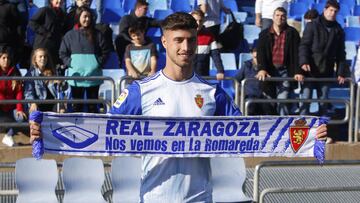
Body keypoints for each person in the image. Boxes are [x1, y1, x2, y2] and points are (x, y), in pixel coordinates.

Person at [30, 12, 328, 202]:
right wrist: (47, 131)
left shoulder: (213, 93)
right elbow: (104, 132)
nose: (186, 47)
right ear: (165, 43)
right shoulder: (140, 91)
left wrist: (310, 134)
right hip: (155, 197)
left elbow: (249, 135)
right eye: (179, 41)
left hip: (201, 198)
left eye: (190, 40)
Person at [298, 0, 347, 116]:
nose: (333, 13)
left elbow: (341, 53)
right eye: (331, 10)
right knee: (305, 100)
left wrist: (341, 72)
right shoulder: (312, 25)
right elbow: (304, 45)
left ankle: (321, 131)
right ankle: (301, 131)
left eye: (335, 11)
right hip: (309, 70)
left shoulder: (338, 30)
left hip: (326, 71)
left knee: (323, 102)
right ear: (325, 10)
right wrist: (304, 61)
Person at [59, 6, 111, 113]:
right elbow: (62, 53)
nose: (87, 19)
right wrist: (72, 63)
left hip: (93, 76)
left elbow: (106, 51)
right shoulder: (70, 35)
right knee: (76, 107)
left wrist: (97, 62)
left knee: (93, 107)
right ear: (78, 17)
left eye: (89, 17)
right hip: (76, 77)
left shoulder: (97, 34)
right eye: (84, 16)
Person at [256, 7, 302, 115]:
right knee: (269, 102)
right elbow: (260, 53)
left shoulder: (293, 33)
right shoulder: (264, 34)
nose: (279, 18)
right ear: (273, 17)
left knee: (283, 100)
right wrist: (262, 69)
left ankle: (282, 126)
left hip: (285, 71)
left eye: (282, 16)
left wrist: (298, 71)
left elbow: (297, 54)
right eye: (277, 15)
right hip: (269, 71)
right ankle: (272, 127)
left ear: (286, 18)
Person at [115, 0, 159, 69]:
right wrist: (132, 41)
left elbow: (158, 22)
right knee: (119, 39)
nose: (147, 11)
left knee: (150, 44)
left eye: (147, 9)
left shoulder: (145, 20)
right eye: (145, 9)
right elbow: (122, 33)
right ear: (138, 8)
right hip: (128, 45)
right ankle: (122, 65)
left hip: (142, 46)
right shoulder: (126, 19)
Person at [235, 47, 277, 115]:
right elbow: (236, 80)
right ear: (252, 55)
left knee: (269, 109)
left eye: (259, 57)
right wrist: (241, 93)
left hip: (264, 95)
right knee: (251, 107)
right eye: (255, 57)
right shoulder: (246, 66)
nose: (257, 59)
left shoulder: (268, 66)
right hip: (250, 95)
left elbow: (274, 83)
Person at [24, 48, 66, 113]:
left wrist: (61, 83)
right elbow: (29, 93)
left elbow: (61, 91)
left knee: (62, 111)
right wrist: (32, 103)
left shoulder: (52, 72)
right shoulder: (30, 74)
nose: (43, 58)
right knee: (35, 112)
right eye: (40, 56)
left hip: (53, 103)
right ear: (35, 59)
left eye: (45, 56)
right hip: (39, 104)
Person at [0, 46, 26, 147]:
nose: (6, 61)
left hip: (12, 108)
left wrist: (19, 109)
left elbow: (19, 93)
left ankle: (9, 134)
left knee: (21, 118)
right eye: (3, 58)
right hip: (1, 108)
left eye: (8, 58)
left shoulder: (15, 72)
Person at [29, 0, 66, 65]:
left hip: (54, 49)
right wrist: (45, 32)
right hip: (42, 46)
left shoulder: (62, 14)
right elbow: (32, 22)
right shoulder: (45, 10)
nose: (59, 1)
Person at [191, 10, 224, 80]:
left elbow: (216, 55)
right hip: (187, 77)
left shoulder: (209, 36)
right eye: (195, 20)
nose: (198, 23)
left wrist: (220, 71)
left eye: (200, 21)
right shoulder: (184, 35)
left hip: (203, 76)